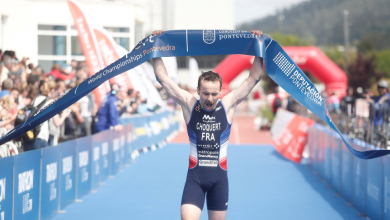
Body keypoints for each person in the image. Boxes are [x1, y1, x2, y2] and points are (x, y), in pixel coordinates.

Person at [152, 30, 263, 220]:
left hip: (219, 182)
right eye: (205, 93)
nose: (209, 99)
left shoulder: (228, 105)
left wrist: (258, 47)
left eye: (214, 94)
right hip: (195, 180)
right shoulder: (189, 104)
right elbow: (163, 78)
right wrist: (157, 46)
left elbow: (253, 78)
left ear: (221, 91)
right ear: (198, 91)